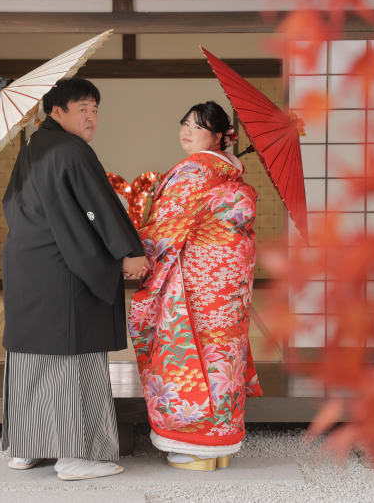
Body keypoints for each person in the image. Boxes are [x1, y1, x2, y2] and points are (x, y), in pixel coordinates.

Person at [0, 78, 149, 481]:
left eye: (95, 109)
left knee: (30, 355)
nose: (91, 117)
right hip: (62, 269)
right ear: (57, 112)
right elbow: (97, 206)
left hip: (27, 265)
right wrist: (127, 251)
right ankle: (74, 455)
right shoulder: (71, 150)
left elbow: (15, 205)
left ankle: (27, 447)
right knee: (72, 356)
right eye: (82, 109)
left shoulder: (35, 147)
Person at [128, 101, 263, 471]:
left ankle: (193, 444)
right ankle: (221, 444)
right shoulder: (231, 173)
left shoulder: (195, 170)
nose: (187, 131)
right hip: (228, 287)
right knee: (224, 356)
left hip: (195, 284)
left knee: (189, 352)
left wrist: (129, 252)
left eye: (198, 126)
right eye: (185, 123)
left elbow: (166, 227)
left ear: (218, 137)